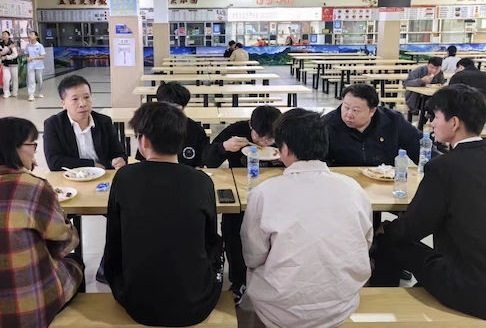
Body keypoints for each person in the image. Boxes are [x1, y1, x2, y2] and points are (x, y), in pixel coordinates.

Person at [371, 84, 486, 322]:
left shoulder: (444, 167)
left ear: (454, 123)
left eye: (436, 117)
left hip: (475, 291)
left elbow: (414, 228)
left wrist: (384, 229)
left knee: (390, 239)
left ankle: (381, 306)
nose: (431, 124)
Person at [242, 109, 373, 328]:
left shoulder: (264, 193)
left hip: (280, 310)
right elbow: (365, 242)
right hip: (341, 304)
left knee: (255, 279)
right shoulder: (353, 188)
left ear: (284, 149)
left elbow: (253, 256)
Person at [104, 102, 223, 326]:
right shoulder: (201, 180)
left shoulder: (125, 177)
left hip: (136, 302)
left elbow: (113, 241)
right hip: (196, 304)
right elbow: (209, 239)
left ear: (144, 141)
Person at [0, 117, 84, 327]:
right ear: (13, 149)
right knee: (75, 263)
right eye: (32, 145)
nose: (34, 152)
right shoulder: (35, 186)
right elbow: (65, 243)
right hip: (28, 308)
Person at [203, 105, 282, 305]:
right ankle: (238, 280)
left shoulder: (285, 133)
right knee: (233, 230)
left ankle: (271, 280)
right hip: (242, 191)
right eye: (259, 137)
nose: (263, 142)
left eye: (269, 139)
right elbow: (208, 160)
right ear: (250, 126)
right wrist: (223, 147)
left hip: (278, 194)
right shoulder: (236, 131)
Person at [324, 84, 424, 166]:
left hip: (383, 180)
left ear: (372, 111)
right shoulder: (326, 124)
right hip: (343, 180)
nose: (348, 115)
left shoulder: (393, 121)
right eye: (346, 107)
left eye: (356, 110)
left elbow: (421, 147)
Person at [44, 75, 127, 171]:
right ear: (63, 104)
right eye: (75, 99)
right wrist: (91, 164)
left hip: (103, 175)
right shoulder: (53, 125)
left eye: (86, 97)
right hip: (70, 177)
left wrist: (120, 160)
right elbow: (54, 161)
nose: (83, 104)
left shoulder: (104, 122)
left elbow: (119, 153)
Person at [135, 82, 209, 167]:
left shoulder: (196, 130)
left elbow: (200, 164)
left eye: (176, 108)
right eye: (165, 108)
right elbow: (142, 162)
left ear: (184, 107)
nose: (170, 113)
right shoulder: (150, 128)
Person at [25, 30, 46, 101]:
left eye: (32, 34)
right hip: (30, 65)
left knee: (39, 80)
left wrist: (33, 58)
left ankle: (40, 92)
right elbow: (26, 54)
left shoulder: (40, 46)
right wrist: (27, 58)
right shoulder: (28, 45)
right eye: (30, 34)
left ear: (36, 36)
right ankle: (31, 94)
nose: (30, 36)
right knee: (31, 80)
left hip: (39, 66)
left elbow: (43, 56)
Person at [0, 30, 19, 99]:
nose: (3, 36)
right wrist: (8, 48)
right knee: (6, 78)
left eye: (5, 34)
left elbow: (15, 54)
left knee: (14, 79)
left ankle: (15, 91)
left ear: (9, 36)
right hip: (5, 64)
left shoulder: (12, 43)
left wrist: (6, 57)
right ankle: (6, 92)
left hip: (13, 64)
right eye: (3, 34)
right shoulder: (0, 44)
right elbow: (1, 52)